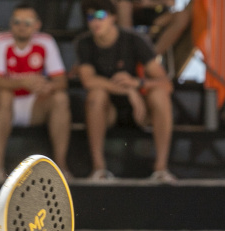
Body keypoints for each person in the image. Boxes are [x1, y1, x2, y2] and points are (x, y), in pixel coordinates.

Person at [75, 0, 175, 181]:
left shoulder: (134, 40)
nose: (95, 22)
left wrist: (137, 84)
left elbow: (165, 83)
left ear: (113, 17)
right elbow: (89, 81)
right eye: (90, 17)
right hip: (109, 112)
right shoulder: (84, 43)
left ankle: (161, 169)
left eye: (100, 16)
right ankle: (99, 169)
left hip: (141, 112)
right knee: (96, 95)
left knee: (160, 95)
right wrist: (128, 91)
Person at [0, 2, 71, 181]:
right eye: (17, 22)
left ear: (37, 25)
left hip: (30, 105)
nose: (21, 27)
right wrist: (24, 82)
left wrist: (47, 86)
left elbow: (61, 81)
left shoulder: (46, 41)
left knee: (60, 99)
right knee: (4, 96)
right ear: (10, 24)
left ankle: (61, 167)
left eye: (27, 22)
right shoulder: (0, 40)